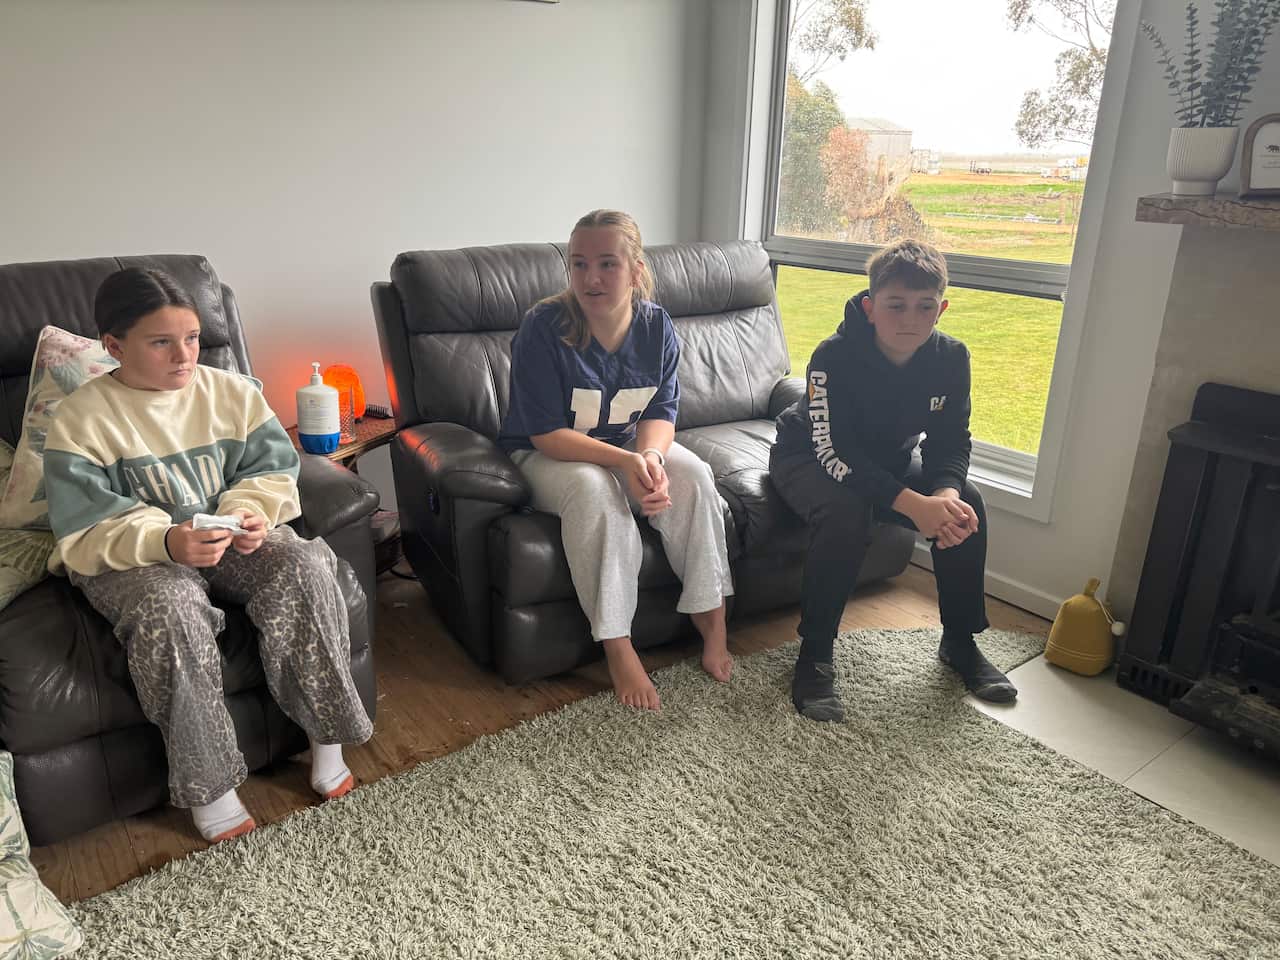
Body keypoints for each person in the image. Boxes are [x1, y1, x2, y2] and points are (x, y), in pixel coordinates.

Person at [43, 267, 373, 843]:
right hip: (132, 554)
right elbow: (84, 529)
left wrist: (251, 513)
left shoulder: (231, 393)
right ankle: (210, 786)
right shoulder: (81, 419)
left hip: (225, 535)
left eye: (193, 337)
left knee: (304, 563)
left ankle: (328, 740)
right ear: (114, 346)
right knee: (171, 607)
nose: (184, 356)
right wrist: (167, 541)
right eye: (161, 342)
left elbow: (272, 470)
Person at [770, 238, 1017, 722]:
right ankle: (815, 653)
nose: (910, 319)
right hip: (809, 456)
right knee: (846, 512)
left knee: (966, 502)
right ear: (870, 307)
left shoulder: (951, 357)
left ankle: (960, 641)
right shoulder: (833, 357)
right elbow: (835, 452)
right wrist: (911, 504)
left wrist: (942, 495)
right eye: (896, 305)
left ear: (941, 309)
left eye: (925, 306)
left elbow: (951, 440)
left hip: (887, 460)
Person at [498, 209, 734, 711]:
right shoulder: (543, 326)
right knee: (595, 490)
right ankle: (617, 644)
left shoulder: (656, 326)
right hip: (545, 454)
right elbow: (546, 435)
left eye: (607, 263)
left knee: (693, 475)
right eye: (579, 264)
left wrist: (649, 457)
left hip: (625, 444)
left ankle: (711, 617)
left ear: (635, 270)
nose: (591, 278)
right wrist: (627, 464)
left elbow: (662, 412)